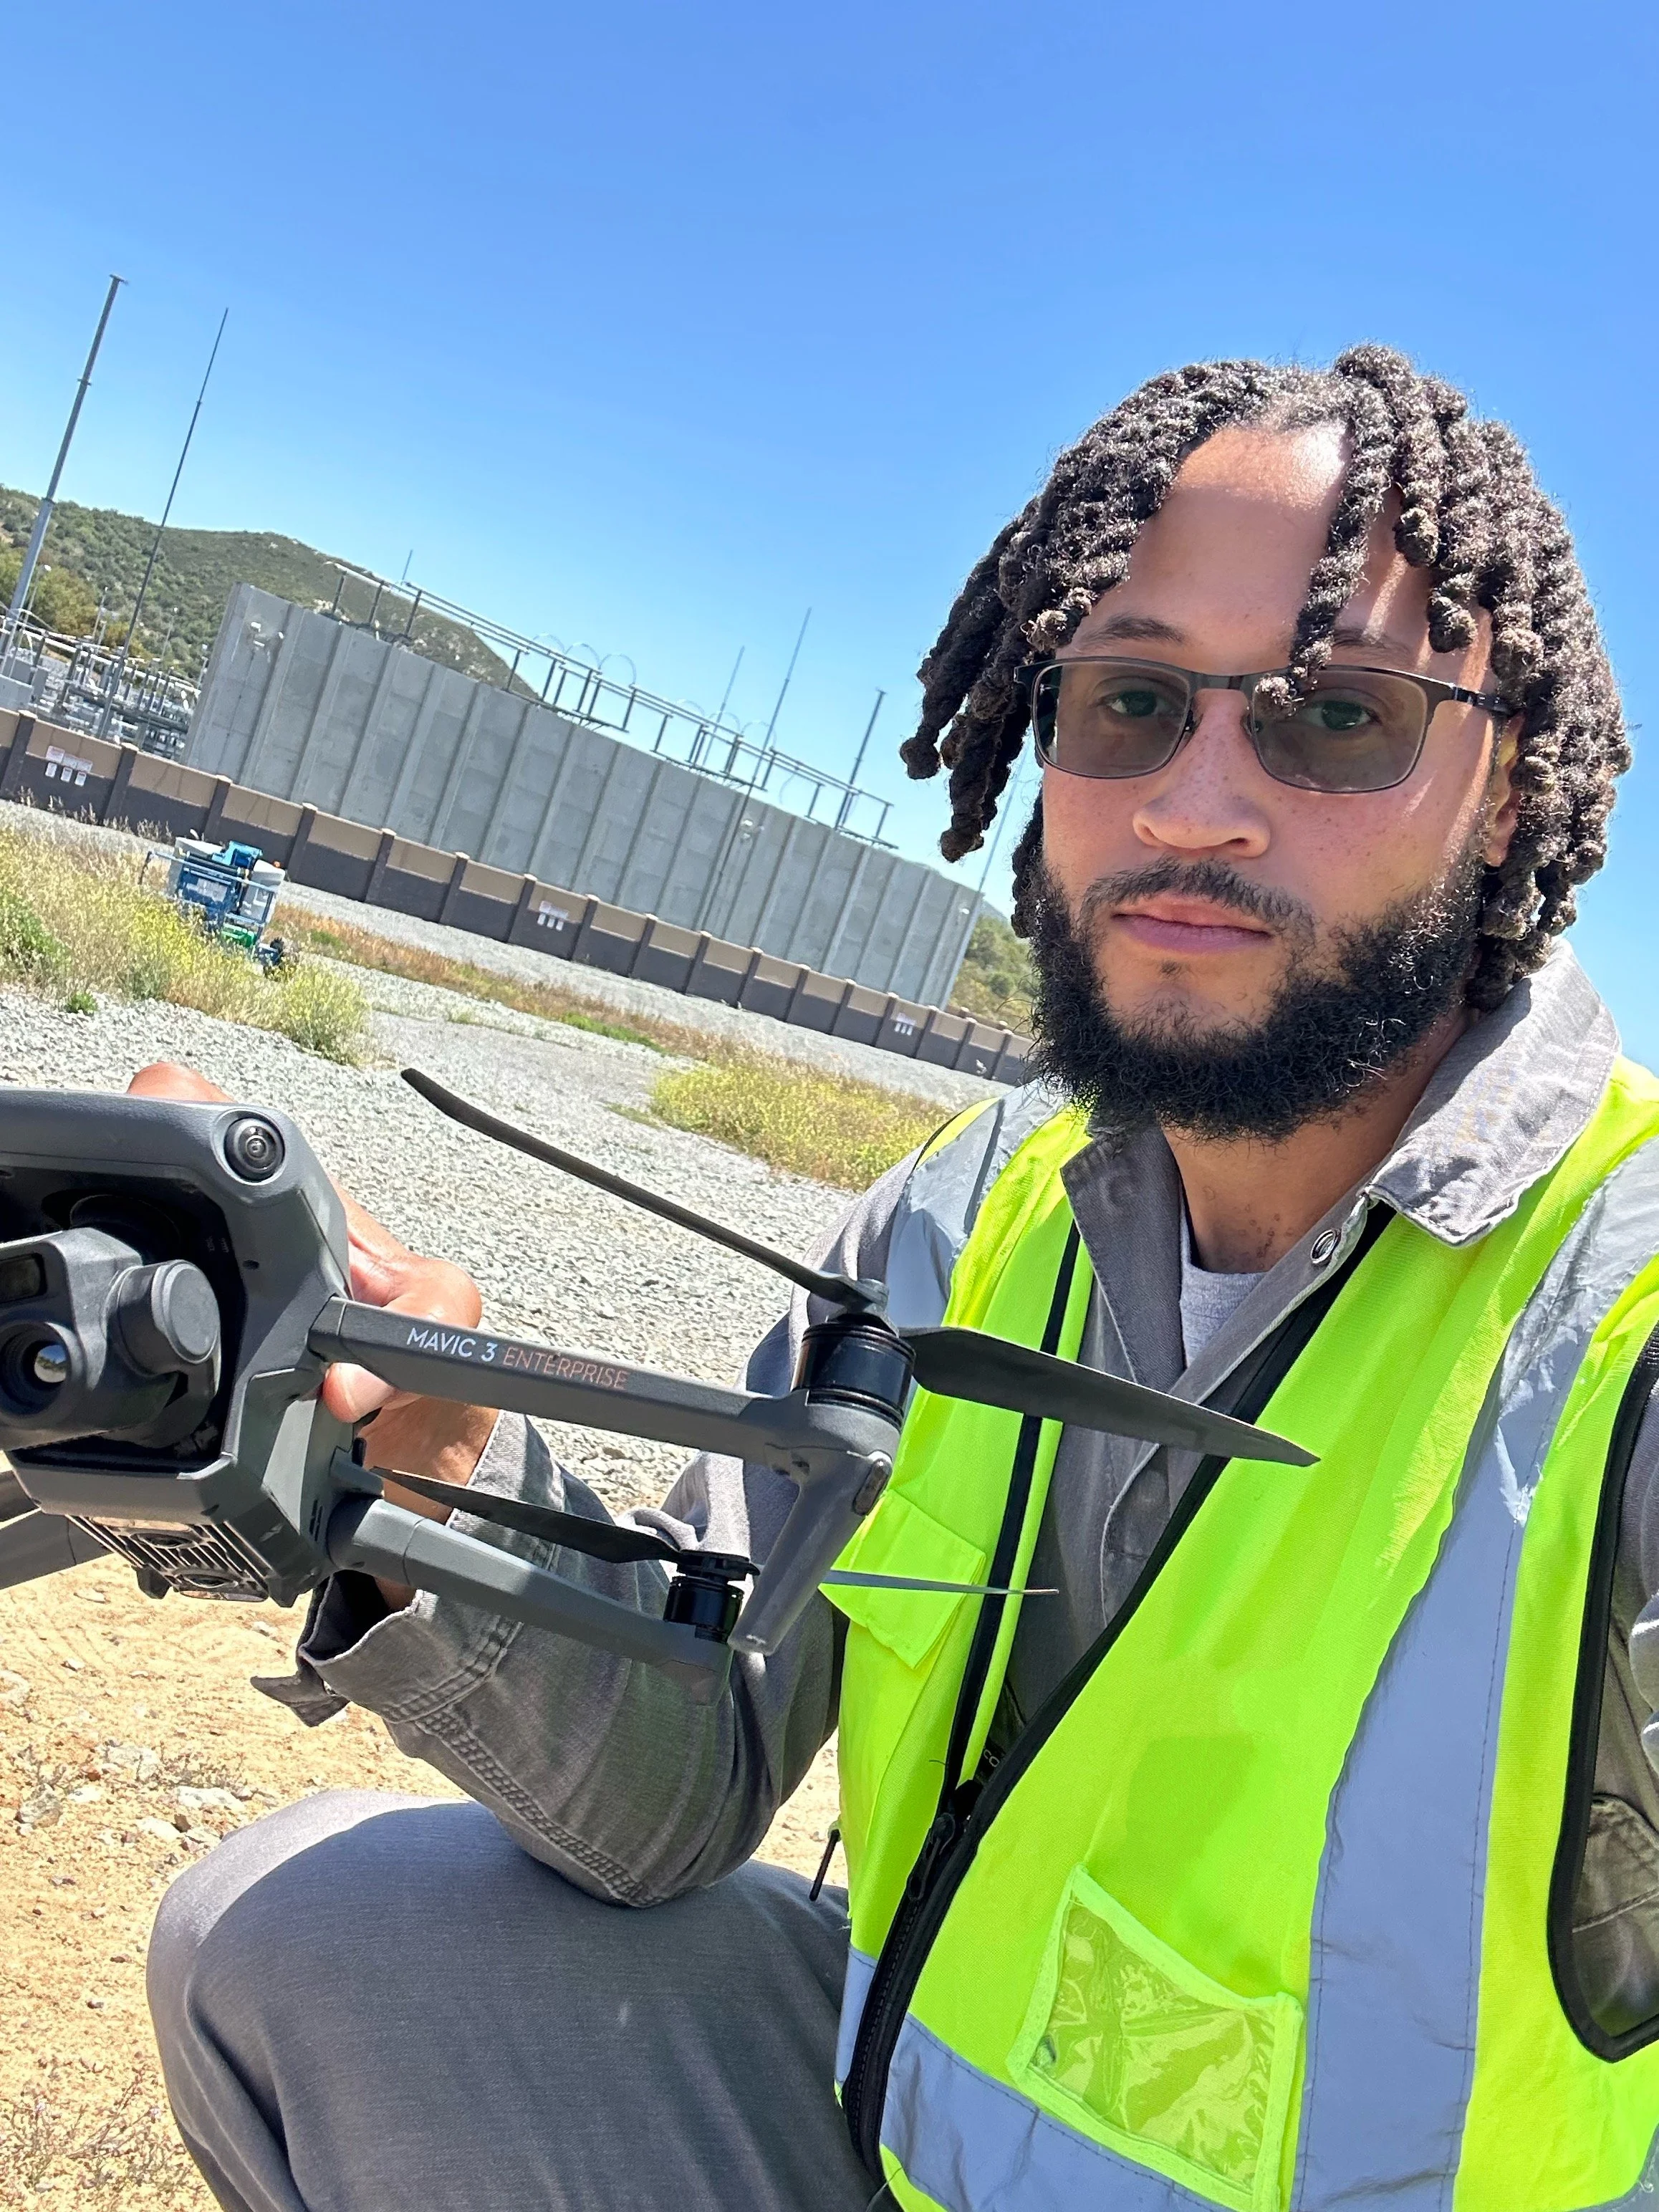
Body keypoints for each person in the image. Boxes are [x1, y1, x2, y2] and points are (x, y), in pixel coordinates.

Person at [145, 347, 1659, 2212]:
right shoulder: (969, 1216)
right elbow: (674, 1787)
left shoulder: (1626, 1330)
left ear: (1505, 790)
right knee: (295, 1938)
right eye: (1127, 701)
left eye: (1328, 719)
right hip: (901, 2158)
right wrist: (430, 1486)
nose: (1196, 802)